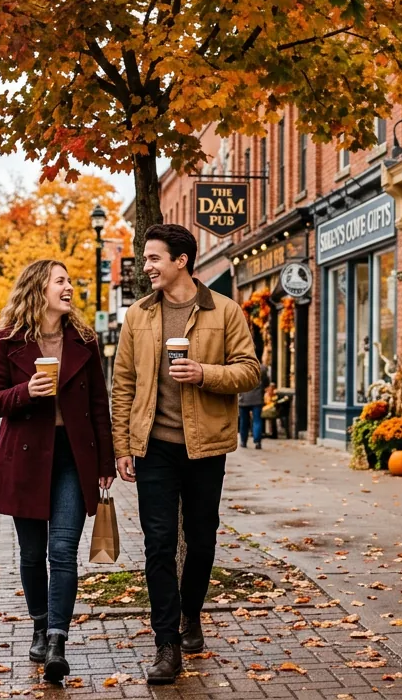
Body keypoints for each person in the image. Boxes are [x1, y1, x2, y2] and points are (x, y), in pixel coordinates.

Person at [111, 224, 260, 685]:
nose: (147, 266)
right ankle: (166, 644)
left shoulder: (225, 309)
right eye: (145, 257)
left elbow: (250, 371)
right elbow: (123, 385)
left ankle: (191, 613)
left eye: (154, 258)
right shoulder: (138, 315)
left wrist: (204, 374)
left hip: (205, 446)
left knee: (201, 539)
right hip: (153, 447)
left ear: (182, 260)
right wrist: (122, 446)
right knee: (157, 544)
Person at [0, 259, 115, 684]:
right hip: (26, 458)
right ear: (39, 288)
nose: (69, 287)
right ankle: (40, 623)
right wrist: (26, 391)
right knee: (30, 554)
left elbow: (99, 403)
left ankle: (57, 640)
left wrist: (105, 462)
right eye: (61, 281)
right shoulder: (8, 341)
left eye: (70, 281)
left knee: (62, 551)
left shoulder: (84, 340)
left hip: (73, 458)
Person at [238, 363, 270, 450]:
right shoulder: (262, 368)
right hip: (257, 399)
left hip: (243, 399)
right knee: (257, 420)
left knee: (244, 421)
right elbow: (266, 383)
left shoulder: (241, 366)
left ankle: (243, 441)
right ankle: (257, 442)